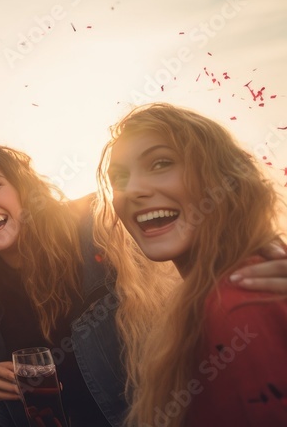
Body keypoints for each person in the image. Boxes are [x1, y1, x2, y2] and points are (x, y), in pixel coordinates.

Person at [0, 137, 287, 427]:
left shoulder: (93, 235)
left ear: (23, 192)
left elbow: (186, 232)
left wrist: (256, 245)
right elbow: (2, 412)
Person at [97, 103, 287, 426]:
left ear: (221, 177)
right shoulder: (205, 295)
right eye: (120, 177)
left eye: (161, 163)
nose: (134, 190)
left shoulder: (238, 303)